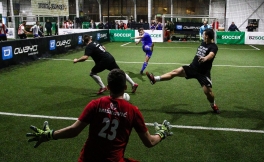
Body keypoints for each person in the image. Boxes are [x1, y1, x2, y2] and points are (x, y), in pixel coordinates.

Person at [26, 69, 173, 162]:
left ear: (108, 87)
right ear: (125, 88)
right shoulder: (133, 110)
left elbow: (74, 131)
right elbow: (150, 142)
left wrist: (50, 134)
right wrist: (162, 133)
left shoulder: (95, 104)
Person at [146, 29, 220, 114]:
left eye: (203, 34)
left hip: (203, 73)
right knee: (175, 72)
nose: (202, 35)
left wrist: (205, 58)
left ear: (207, 36)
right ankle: (154, 79)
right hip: (192, 67)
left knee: (208, 93)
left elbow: (211, 55)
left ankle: (213, 104)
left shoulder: (213, 46)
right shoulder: (203, 43)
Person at [73, 35, 138, 94]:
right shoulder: (96, 42)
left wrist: (77, 60)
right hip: (109, 57)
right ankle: (133, 84)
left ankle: (103, 87)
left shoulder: (89, 47)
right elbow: (104, 48)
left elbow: (85, 57)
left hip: (103, 61)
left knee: (92, 73)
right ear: (90, 39)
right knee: (119, 72)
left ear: (84, 41)